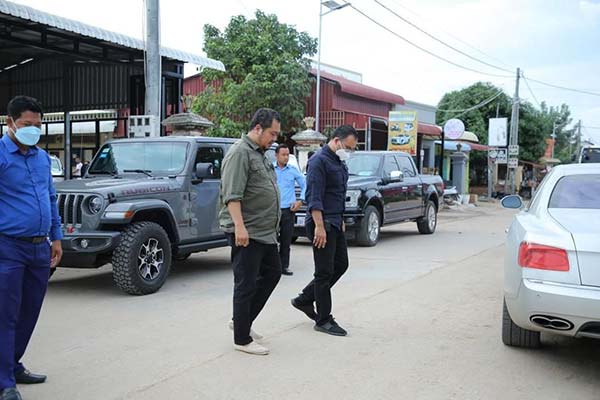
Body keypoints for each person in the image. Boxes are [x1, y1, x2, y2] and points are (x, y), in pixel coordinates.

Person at [0, 96, 63, 400]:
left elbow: (50, 197)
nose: (33, 130)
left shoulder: (41, 158)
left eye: (38, 125)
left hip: (40, 247)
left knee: (29, 312)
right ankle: (4, 382)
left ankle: (12, 365)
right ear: (9, 122)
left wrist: (57, 237)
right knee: (6, 315)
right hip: (8, 247)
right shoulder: (1, 156)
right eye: (27, 124)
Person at [219, 108, 282, 356]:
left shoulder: (260, 154)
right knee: (245, 283)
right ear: (257, 128)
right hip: (247, 230)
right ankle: (242, 339)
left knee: (273, 273)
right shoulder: (240, 153)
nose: (274, 139)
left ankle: (241, 320)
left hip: (264, 231)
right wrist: (239, 227)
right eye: (272, 133)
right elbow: (232, 195)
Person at [291, 125, 358, 337]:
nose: (349, 151)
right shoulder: (318, 161)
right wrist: (319, 226)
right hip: (322, 222)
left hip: (335, 221)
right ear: (337, 141)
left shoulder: (338, 161)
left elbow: (337, 193)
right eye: (348, 147)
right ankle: (323, 319)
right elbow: (314, 197)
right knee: (324, 272)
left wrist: (341, 218)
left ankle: (304, 299)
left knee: (341, 265)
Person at [274, 144, 306, 276]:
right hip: (272, 210)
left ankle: (284, 266)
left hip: (288, 210)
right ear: (276, 155)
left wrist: (300, 201)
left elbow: (305, 185)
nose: (286, 157)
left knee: (286, 240)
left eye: (287, 155)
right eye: (283, 155)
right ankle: (271, 266)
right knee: (271, 240)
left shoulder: (293, 170)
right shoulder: (270, 169)